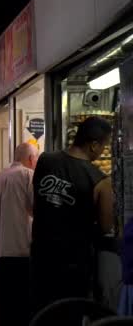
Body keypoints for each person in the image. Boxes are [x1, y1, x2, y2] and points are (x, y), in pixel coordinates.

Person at [31, 116, 114, 314]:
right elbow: (105, 226)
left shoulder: (45, 160)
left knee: (42, 313)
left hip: (41, 256)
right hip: (74, 262)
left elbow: (34, 200)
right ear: (94, 145)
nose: (102, 151)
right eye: (103, 146)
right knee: (70, 314)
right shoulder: (100, 181)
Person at [0, 143, 38, 326]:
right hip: (23, 250)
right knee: (23, 306)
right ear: (30, 159)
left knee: (6, 305)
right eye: (36, 158)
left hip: (1, 251)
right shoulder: (28, 175)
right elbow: (38, 208)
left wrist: (0, 217)